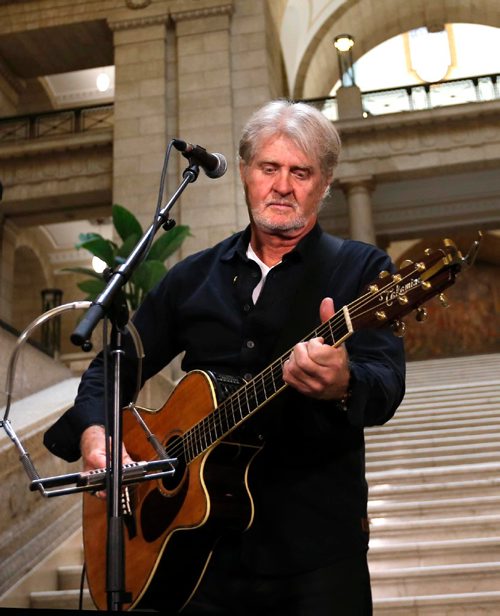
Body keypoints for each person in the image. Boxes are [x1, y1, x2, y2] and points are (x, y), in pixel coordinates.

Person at [45, 99, 405, 615]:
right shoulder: (191, 278)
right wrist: (96, 433)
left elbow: (386, 383)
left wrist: (344, 380)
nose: (282, 185)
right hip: (194, 560)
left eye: (300, 172)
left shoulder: (361, 269)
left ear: (325, 183)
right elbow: (114, 366)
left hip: (315, 553)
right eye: (269, 168)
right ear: (244, 172)